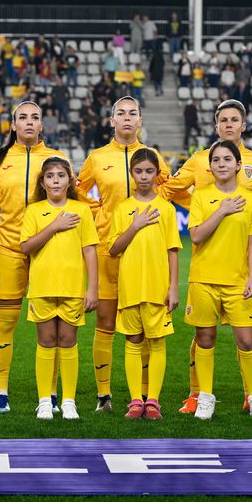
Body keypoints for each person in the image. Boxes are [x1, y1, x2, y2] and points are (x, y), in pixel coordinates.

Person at [161, 99, 252, 415]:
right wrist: (203, 209)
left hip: (238, 274)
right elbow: (172, 191)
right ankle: (199, 396)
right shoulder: (199, 166)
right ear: (216, 125)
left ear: (243, 123)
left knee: (245, 340)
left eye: (234, 119)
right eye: (223, 120)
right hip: (205, 271)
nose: (228, 124)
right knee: (203, 337)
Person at [0, 101, 65, 414]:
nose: (29, 123)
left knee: (50, 323)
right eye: (23, 118)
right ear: (13, 125)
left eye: (35, 118)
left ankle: (51, 392)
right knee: (6, 320)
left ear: (42, 125)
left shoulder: (55, 160)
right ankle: (0, 393)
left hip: (49, 250)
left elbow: (76, 198)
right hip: (9, 248)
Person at [76, 96, 171, 412]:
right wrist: (98, 210)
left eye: (133, 113)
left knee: (144, 325)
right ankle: (104, 394)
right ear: (111, 120)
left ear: (140, 120)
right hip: (108, 248)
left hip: (146, 254)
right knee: (104, 321)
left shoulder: (154, 156)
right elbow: (77, 189)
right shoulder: (98, 157)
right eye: (121, 113)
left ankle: (145, 395)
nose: (127, 118)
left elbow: (167, 189)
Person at [185, 140, 252, 420]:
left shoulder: (251, 199)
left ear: (237, 165)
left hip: (237, 283)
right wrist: (221, 210)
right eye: (216, 160)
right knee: (205, 339)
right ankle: (206, 398)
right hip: (203, 280)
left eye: (227, 159)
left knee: (246, 341)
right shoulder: (200, 196)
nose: (221, 164)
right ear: (210, 167)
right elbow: (196, 236)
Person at [19, 156, 99, 419]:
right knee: (46, 341)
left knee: (67, 341)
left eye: (60, 176)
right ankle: (44, 400)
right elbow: (26, 247)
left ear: (70, 181)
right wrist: (53, 226)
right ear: (42, 182)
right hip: (42, 286)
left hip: (73, 287)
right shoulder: (33, 211)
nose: (55, 180)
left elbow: (89, 250)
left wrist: (93, 289)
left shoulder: (82, 210)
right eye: (50, 176)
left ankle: (68, 401)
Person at [107, 148, 181, 420]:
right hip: (130, 286)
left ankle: (153, 401)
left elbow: (173, 250)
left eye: (149, 171)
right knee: (133, 341)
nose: (144, 176)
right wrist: (134, 225)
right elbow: (114, 248)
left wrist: (173, 287)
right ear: (132, 174)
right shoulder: (123, 209)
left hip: (157, 287)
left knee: (157, 341)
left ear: (158, 174)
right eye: (138, 171)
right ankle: (136, 400)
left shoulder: (166, 209)